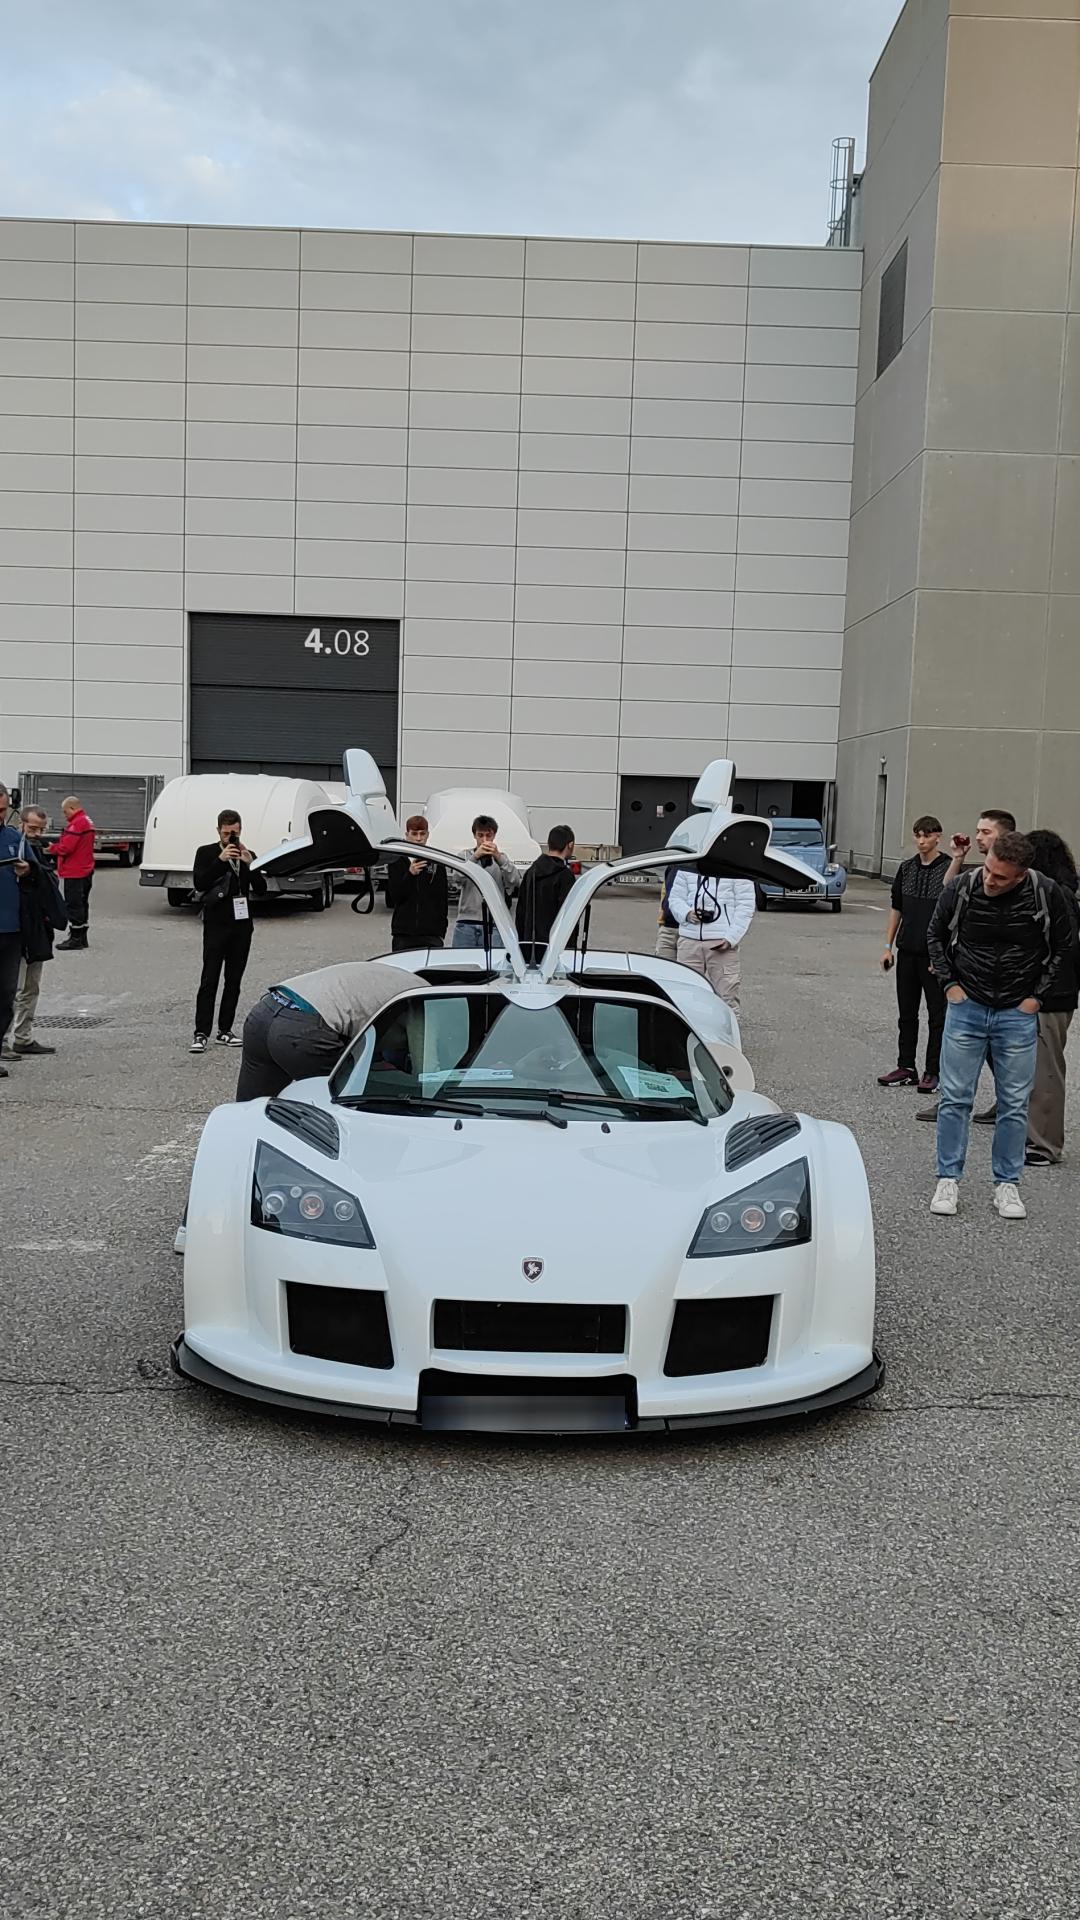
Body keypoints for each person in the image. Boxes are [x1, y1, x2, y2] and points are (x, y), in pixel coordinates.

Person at [926, 830, 1072, 1220]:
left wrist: (1036, 998)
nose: (991, 880)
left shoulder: (1045, 893)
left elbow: (1064, 946)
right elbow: (935, 935)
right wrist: (949, 985)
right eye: (988, 870)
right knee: (955, 1099)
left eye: (1001, 877)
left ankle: (1007, 1185)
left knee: (1014, 1103)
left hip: (1016, 1013)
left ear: (1021, 875)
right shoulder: (962, 887)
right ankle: (948, 1179)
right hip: (967, 1007)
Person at [917, 806, 1019, 1125]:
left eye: (985, 832)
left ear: (1007, 837)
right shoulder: (976, 872)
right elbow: (946, 891)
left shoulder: (1017, 878)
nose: (977, 837)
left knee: (996, 1047)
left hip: (1001, 980)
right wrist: (959, 857)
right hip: (967, 975)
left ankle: (1007, 1104)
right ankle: (953, 1100)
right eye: (977, 831)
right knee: (960, 1039)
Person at [236, 959, 424, 1101]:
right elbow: (426, 1070)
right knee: (346, 1103)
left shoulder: (394, 978)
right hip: (304, 1029)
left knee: (250, 1108)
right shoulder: (425, 998)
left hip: (265, 1011)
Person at [878, 815, 950, 1093]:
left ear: (937, 837)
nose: (922, 841)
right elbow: (897, 908)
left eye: (927, 835)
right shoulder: (906, 869)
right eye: (917, 835)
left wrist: (942, 955)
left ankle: (933, 1071)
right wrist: (888, 946)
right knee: (906, 1014)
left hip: (933, 956)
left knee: (937, 1016)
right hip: (906, 951)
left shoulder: (948, 869)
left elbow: (951, 910)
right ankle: (906, 1067)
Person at [1023, 829, 1080, 1168]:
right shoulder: (1060, 893)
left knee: (1046, 1071)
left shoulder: (1055, 896)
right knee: (1033, 1068)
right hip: (1051, 993)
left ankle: (1044, 1144)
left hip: (1051, 995)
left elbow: (1060, 950)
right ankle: (1033, 1135)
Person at [190, 810, 267, 1054]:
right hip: (216, 924)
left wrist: (250, 865)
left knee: (233, 981)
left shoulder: (248, 854)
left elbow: (262, 889)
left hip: (241, 926)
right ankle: (201, 1032)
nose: (230, 837)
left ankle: (225, 1029)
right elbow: (199, 882)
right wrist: (220, 860)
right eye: (226, 833)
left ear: (240, 830)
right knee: (209, 979)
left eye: (234, 832)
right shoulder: (206, 852)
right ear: (218, 831)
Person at [3, 806, 60, 1059]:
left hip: (35, 927)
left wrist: (33, 872)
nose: (36, 833)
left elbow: (48, 886)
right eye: (32, 828)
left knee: (30, 986)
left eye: (41, 829)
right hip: (15, 928)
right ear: (22, 824)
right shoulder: (16, 844)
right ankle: (4, 1039)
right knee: (10, 988)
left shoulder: (36, 850)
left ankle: (23, 1037)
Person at [667, 865, 755, 1011]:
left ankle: (727, 1032)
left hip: (722, 941)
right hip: (689, 939)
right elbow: (675, 898)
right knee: (686, 995)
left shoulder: (738, 868)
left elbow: (745, 905)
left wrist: (731, 937)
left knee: (727, 996)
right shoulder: (687, 868)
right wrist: (687, 914)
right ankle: (691, 1031)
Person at [0, 783, 32, 1079]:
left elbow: (40, 877)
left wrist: (27, 871)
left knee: (6, 993)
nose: (1, 815)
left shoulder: (14, 838)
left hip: (11, 930)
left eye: (4, 809)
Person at [452, 815, 519, 949]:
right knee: (463, 965)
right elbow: (456, 879)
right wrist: (475, 857)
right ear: (474, 835)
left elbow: (515, 881)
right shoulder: (464, 856)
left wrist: (498, 857)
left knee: (493, 966)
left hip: (494, 923)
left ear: (494, 835)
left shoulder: (502, 858)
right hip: (467, 922)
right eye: (480, 835)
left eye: (488, 836)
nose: (484, 840)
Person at [384, 815, 449, 952]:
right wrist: (410, 875)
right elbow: (394, 896)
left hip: (431, 933)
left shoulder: (437, 862)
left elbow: (442, 898)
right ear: (407, 835)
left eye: (422, 834)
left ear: (427, 835)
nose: (418, 838)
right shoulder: (397, 860)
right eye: (414, 834)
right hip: (404, 933)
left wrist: (441, 930)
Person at [516, 825, 576, 963]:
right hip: (555, 947)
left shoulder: (531, 871)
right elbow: (568, 915)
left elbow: (521, 911)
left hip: (529, 946)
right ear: (570, 845)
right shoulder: (565, 876)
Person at [52, 795, 96, 951]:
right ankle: (82, 937)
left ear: (72, 808)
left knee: (74, 904)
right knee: (82, 904)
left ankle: (76, 938)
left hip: (75, 871)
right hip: (86, 869)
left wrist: (51, 848)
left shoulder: (77, 824)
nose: (65, 816)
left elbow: (66, 848)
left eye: (65, 812)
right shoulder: (87, 821)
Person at [655, 865, 680, 962]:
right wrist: (661, 921)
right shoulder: (673, 867)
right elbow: (665, 893)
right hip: (668, 928)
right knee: (663, 970)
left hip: (690, 933)